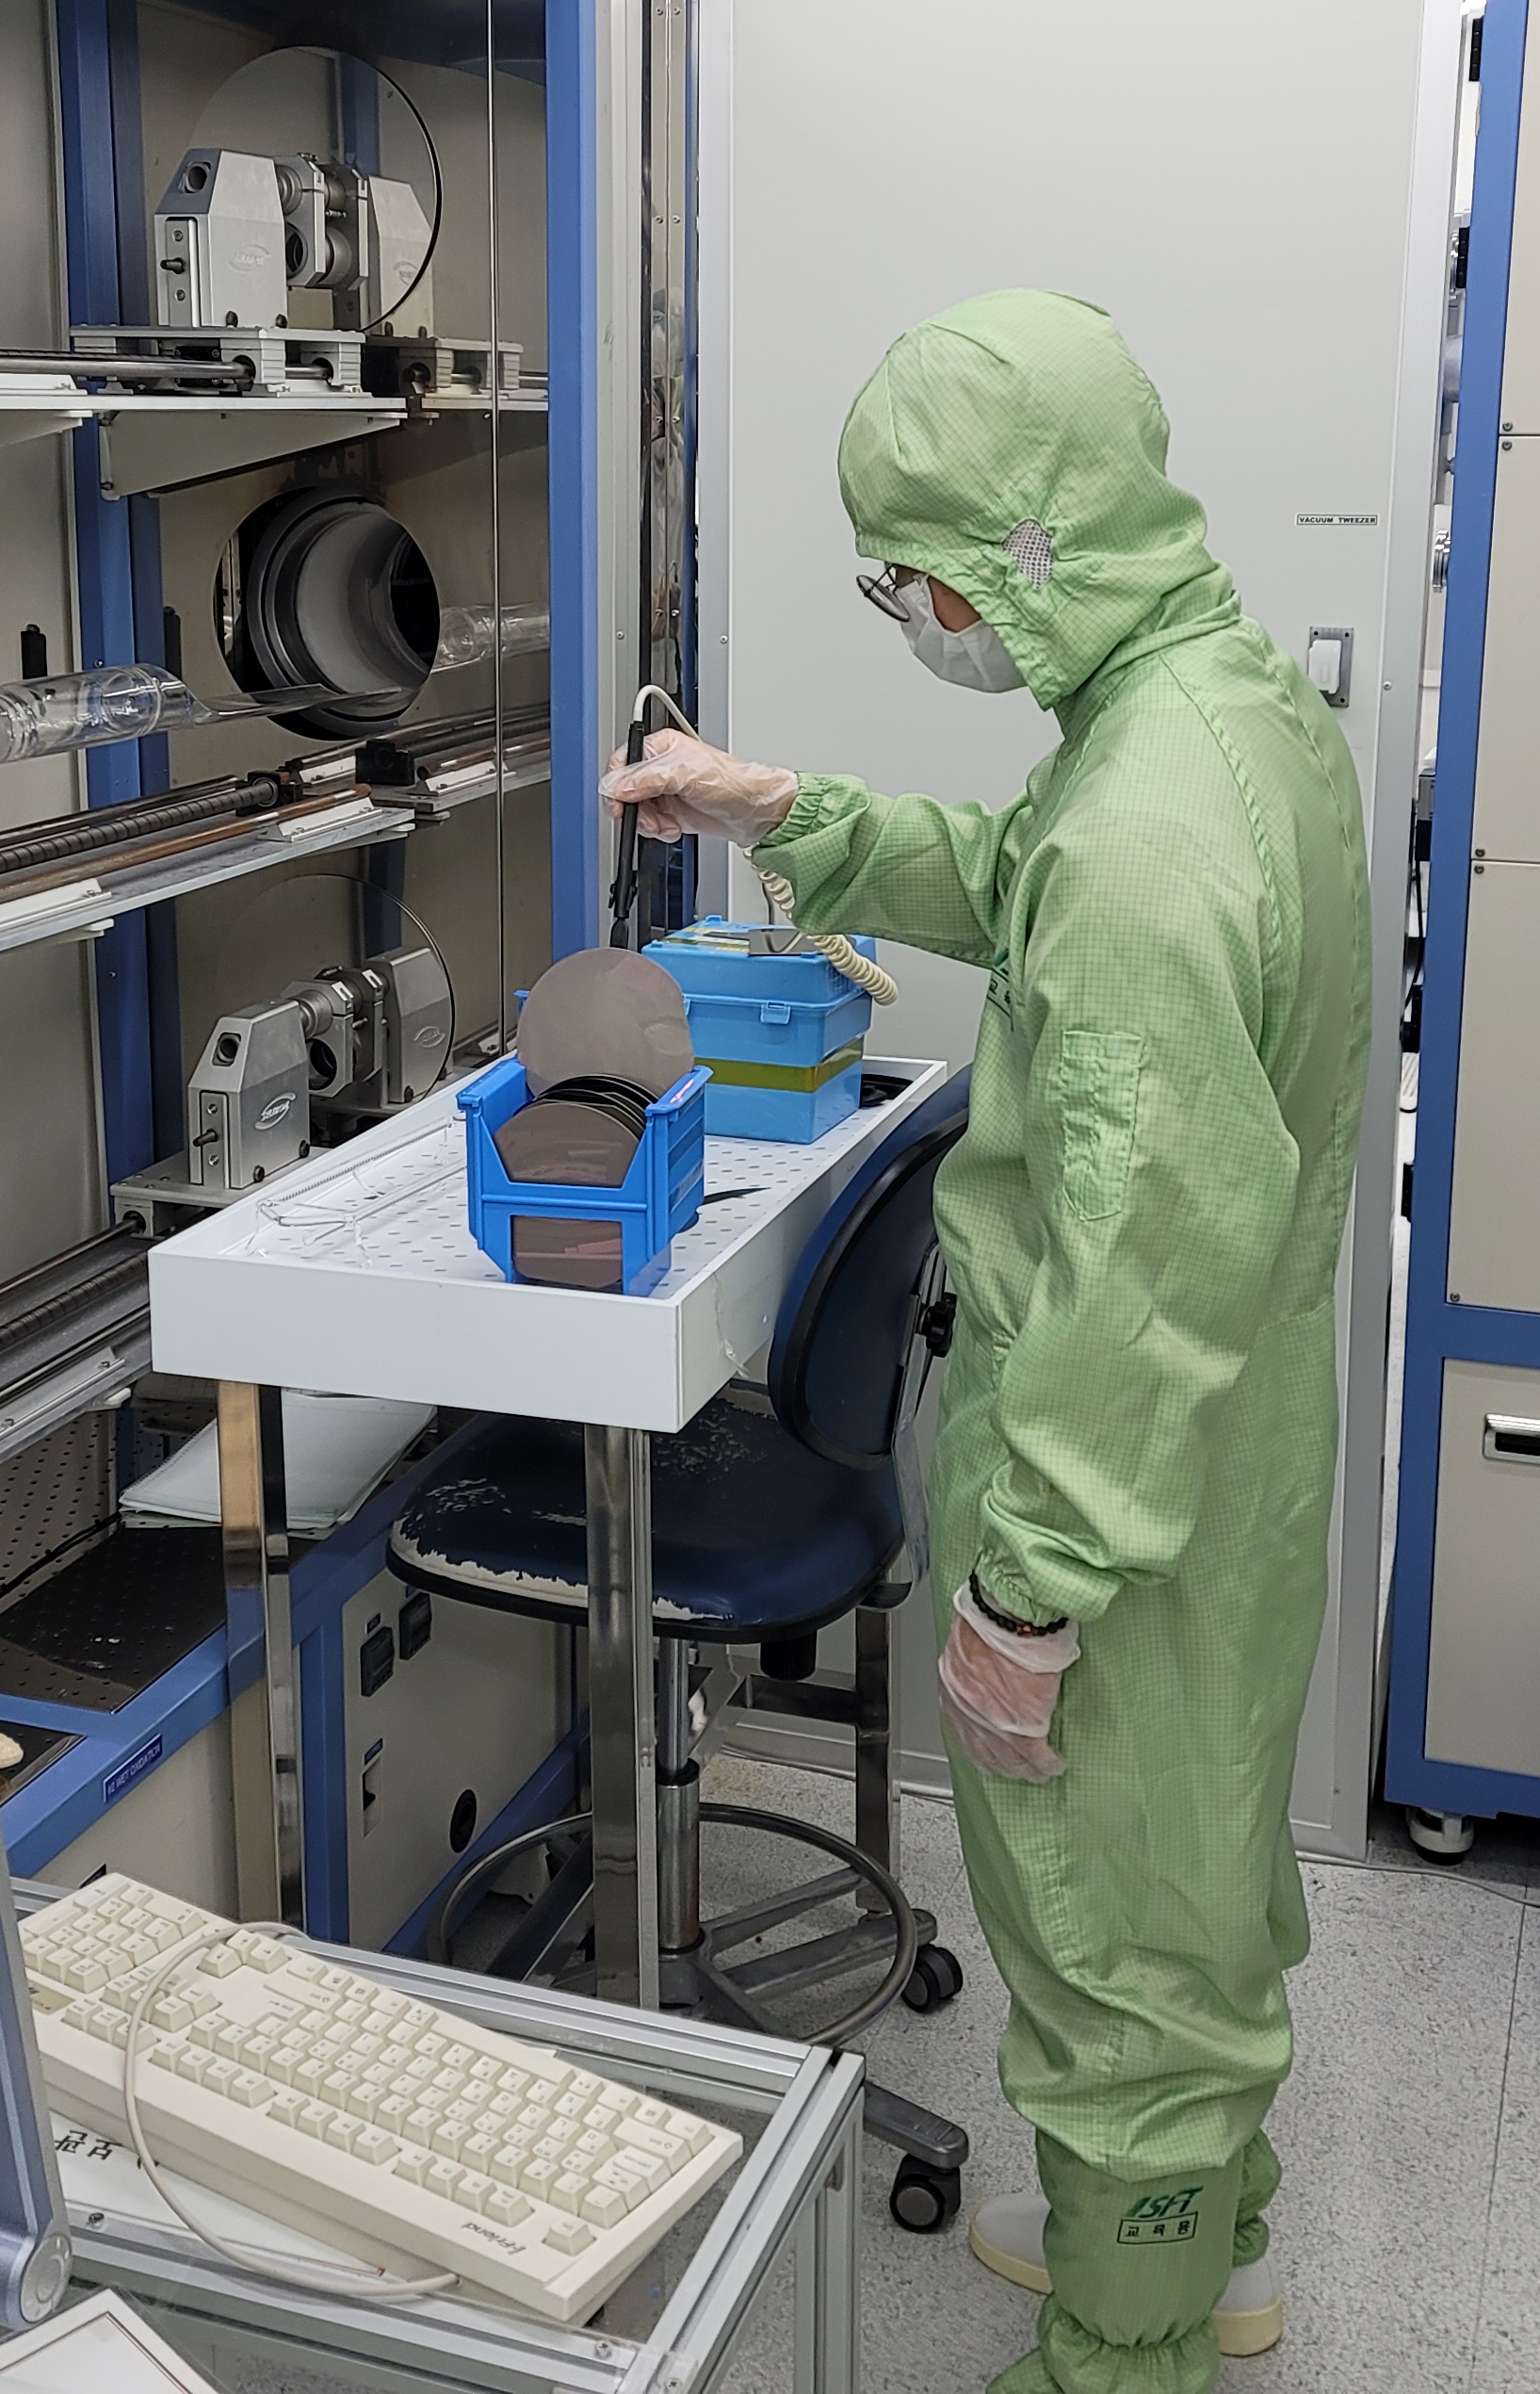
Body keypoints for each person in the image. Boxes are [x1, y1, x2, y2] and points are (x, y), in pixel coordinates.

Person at [604, 291, 1373, 2394]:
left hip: (1122, 1488)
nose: (915, 615)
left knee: (1113, 1939)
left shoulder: (1142, 835)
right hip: (1230, 1456)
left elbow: (1134, 1270)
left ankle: (1126, 2353)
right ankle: (1198, 2255)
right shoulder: (1217, 715)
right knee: (1194, 1887)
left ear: (1018, 549)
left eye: (913, 576)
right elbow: (1016, 875)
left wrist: (1030, 1595)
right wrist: (772, 805)